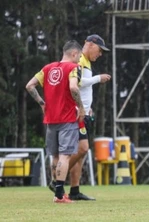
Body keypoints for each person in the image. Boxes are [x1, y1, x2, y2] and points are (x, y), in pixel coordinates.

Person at [48, 34, 111, 201]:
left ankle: (74, 190)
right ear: (89, 44)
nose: (100, 54)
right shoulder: (80, 59)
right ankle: (57, 181)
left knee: (79, 152)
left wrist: (89, 108)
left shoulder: (86, 61)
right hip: (75, 113)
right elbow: (78, 83)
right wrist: (99, 78)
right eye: (99, 49)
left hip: (84, 112)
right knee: (82, 148)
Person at [26, 40, 85, 203]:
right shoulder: (73, 68)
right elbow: (73, 88)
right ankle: (59, 195)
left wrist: (42, 103)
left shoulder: (47, 68)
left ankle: (58, 193)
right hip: (67, 118)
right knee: (65, 156)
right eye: (79, 56)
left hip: (51, 119)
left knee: (55, 157)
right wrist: (81, 107)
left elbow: (30, 86)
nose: (79, 60)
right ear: (74, 54)